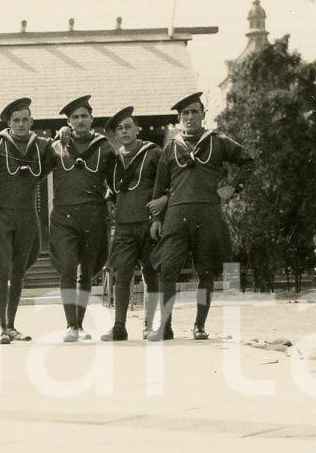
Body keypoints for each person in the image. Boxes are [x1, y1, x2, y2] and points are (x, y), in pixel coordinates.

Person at [148, 91, 251, 340]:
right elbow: (159, 188)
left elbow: (248, 162)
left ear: (204, 114)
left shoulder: (217, 141)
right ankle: (166, 326)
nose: (190, 117)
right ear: (179, 119)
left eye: (195, 111)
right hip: (176, 215)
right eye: (185, 113)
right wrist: (156, 219)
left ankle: (200, 325)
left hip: (208, 214)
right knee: (167, 270)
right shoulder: (171, 148)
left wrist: (233, 186)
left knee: (206, 272)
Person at [0, 98, 55, 343]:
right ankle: (0, 327)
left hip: (27, 215)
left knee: (19, 273)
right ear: (9, 123)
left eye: (25, 119)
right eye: (16, 120)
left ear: (32, 121)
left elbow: (55, 158)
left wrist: (64, 130)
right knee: (2, 272)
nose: (21, 124)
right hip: (0, 215)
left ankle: (12, 325)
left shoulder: (41, 146)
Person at [48, 95, 117, 341]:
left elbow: (117, 182)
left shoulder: (105, 147)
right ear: (68, 121)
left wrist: (108, 198)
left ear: (92, 119)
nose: (80, 121)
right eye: (74, 117)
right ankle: (70, 325)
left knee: (86, 271)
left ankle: (80, 324)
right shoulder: (56, 146)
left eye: (84, 116)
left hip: (93, 218)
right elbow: (33, 168)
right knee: (67, 267)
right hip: (64, 217)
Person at [101, 106, 164, 341]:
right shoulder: (114, 159)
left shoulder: (153, 153)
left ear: (137, 129)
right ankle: (119, 326)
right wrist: (108, 197)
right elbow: (113, 186)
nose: (125, 131)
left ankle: (148, 326)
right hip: (124, 225)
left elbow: (167, 183)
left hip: (148, 223)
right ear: (116, 135)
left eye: (128, 126)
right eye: (120, 128)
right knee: (122, 274)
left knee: (150, 273)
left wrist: (162, 208)